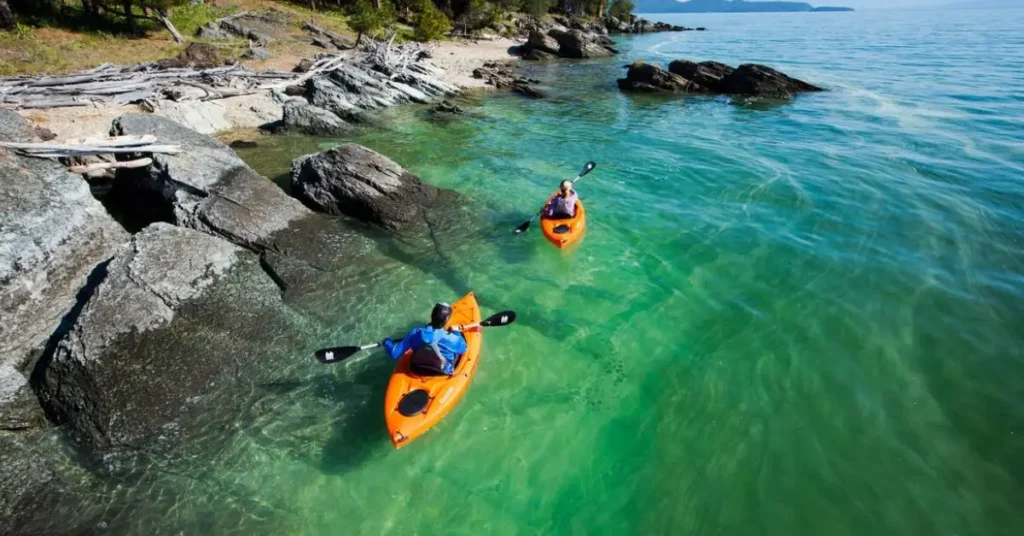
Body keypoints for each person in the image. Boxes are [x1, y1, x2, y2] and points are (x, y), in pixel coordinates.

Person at [382, 303, 467, 376]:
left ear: (431, 316)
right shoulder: (451, 338)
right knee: (458, 349)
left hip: (418, 367)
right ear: (447, 320)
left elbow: (394, 354)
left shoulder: (415, 332)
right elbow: (463, 349)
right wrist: (456, 332)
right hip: (441, 371)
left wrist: (387, 342)